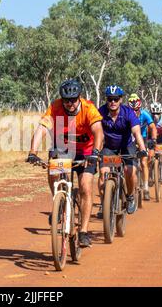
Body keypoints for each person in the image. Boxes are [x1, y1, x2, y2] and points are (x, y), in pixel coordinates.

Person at [26, 79, 104, 248]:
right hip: (62, 149)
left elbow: (98, 131)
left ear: (79, 97)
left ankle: (83, 232)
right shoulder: (55, 107)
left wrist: (96, 153)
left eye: (73, 100)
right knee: (52, 168)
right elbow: (42, 128)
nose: (69, 104)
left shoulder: (89, 108)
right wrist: (33, 152)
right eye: (66, 100)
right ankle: (58, 201)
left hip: (87, 151)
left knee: (85, 187)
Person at [97, 86, 148, 217]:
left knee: (129, 171)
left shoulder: (128, 112)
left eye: (116, 99)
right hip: (109, 148)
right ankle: (104, 204)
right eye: (110, 99)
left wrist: (142, 149)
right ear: (106, 100)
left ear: (121, 100)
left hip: (127, 146)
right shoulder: (100, 112)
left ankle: (130, 196)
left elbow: (137, 132)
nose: (112, 102)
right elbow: (96, 132)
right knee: (103, 173)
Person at [128, 94, 157, 201]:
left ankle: (145, 188)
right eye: (132, 110)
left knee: (144, 162)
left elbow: (153, 127)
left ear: (139, 107)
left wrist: (153, 140)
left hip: (143, 138)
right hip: (131, 139)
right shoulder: (127, 114)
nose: (135, 112)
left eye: (136, 109)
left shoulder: (145, 114)